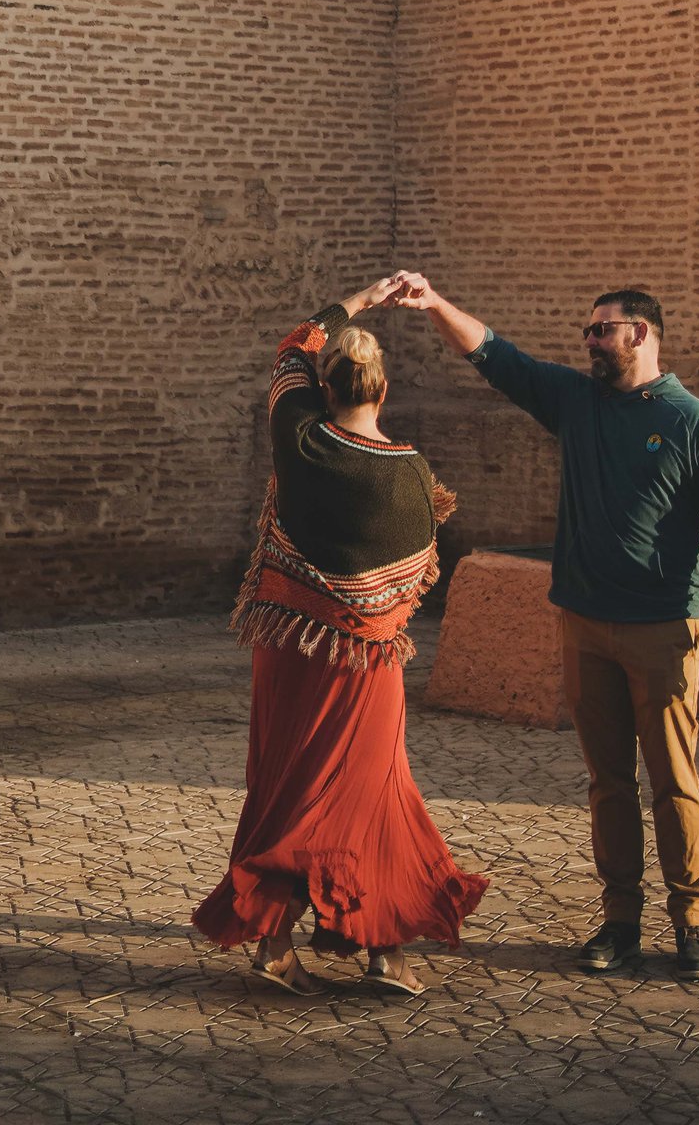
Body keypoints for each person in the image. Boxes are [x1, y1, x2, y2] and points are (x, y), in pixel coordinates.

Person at [391, 275, 699, 984]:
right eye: (587, 330)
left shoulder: (691, 421)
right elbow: (498, 358)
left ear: (641, 335)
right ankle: (620, 921)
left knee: (674, 781)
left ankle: (693, 922)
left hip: (664, 629)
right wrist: (436, 304)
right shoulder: (577, 402)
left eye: (601, 330)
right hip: (585, 625)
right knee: (607, 782)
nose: (588, 341)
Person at [191, 277, 486, 996]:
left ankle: (278, 940)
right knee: (374, 794)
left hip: (288, 651)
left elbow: (293, 345)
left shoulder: (298, 436)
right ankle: (382, 948)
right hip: (365, 662)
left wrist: (360, 299)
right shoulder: (413, 476)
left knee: (283, 787)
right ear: (382, 391)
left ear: (325, 390)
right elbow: (417, 578)